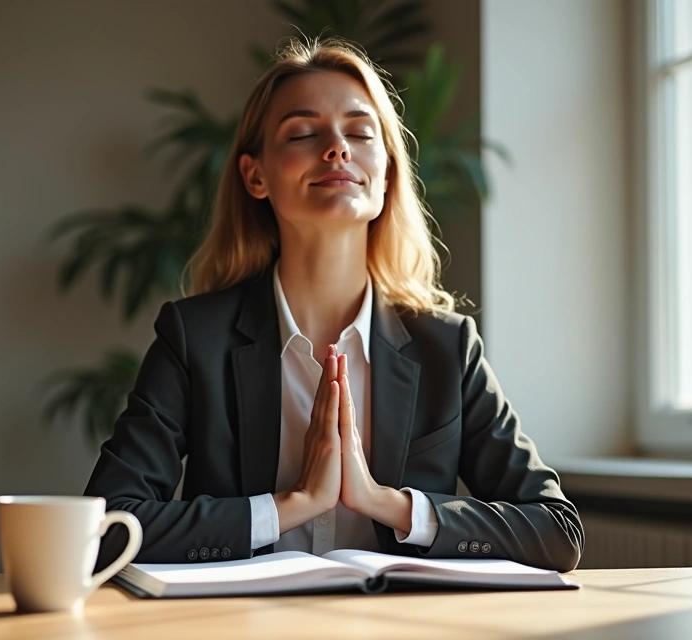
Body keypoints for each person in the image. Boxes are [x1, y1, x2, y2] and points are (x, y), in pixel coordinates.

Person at [84, 38, 583, 572]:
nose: (338, 148)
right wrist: (288, 508)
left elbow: (556, 532)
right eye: (303, 133)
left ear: (387, 175)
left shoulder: (447, 347)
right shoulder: (194, 338)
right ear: (255, 176)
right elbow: (107, 527)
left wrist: (384, 502)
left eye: (361, 133)